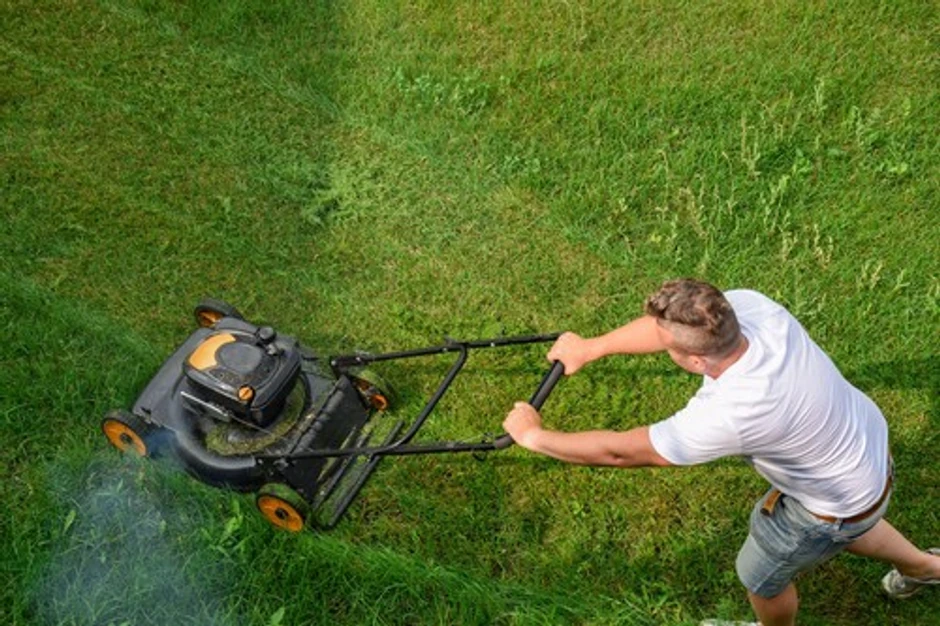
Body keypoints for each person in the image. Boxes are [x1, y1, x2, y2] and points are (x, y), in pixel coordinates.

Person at [503, 278, 939, 626]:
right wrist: (592, 347)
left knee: (761, 578)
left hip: (832, 504)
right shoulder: (751, 309)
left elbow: (624, 452)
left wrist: (535, 437)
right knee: (848, 523)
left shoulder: (732, 412)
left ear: (695, 362)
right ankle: (926, 568)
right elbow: (670, 329)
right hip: (866, 451)